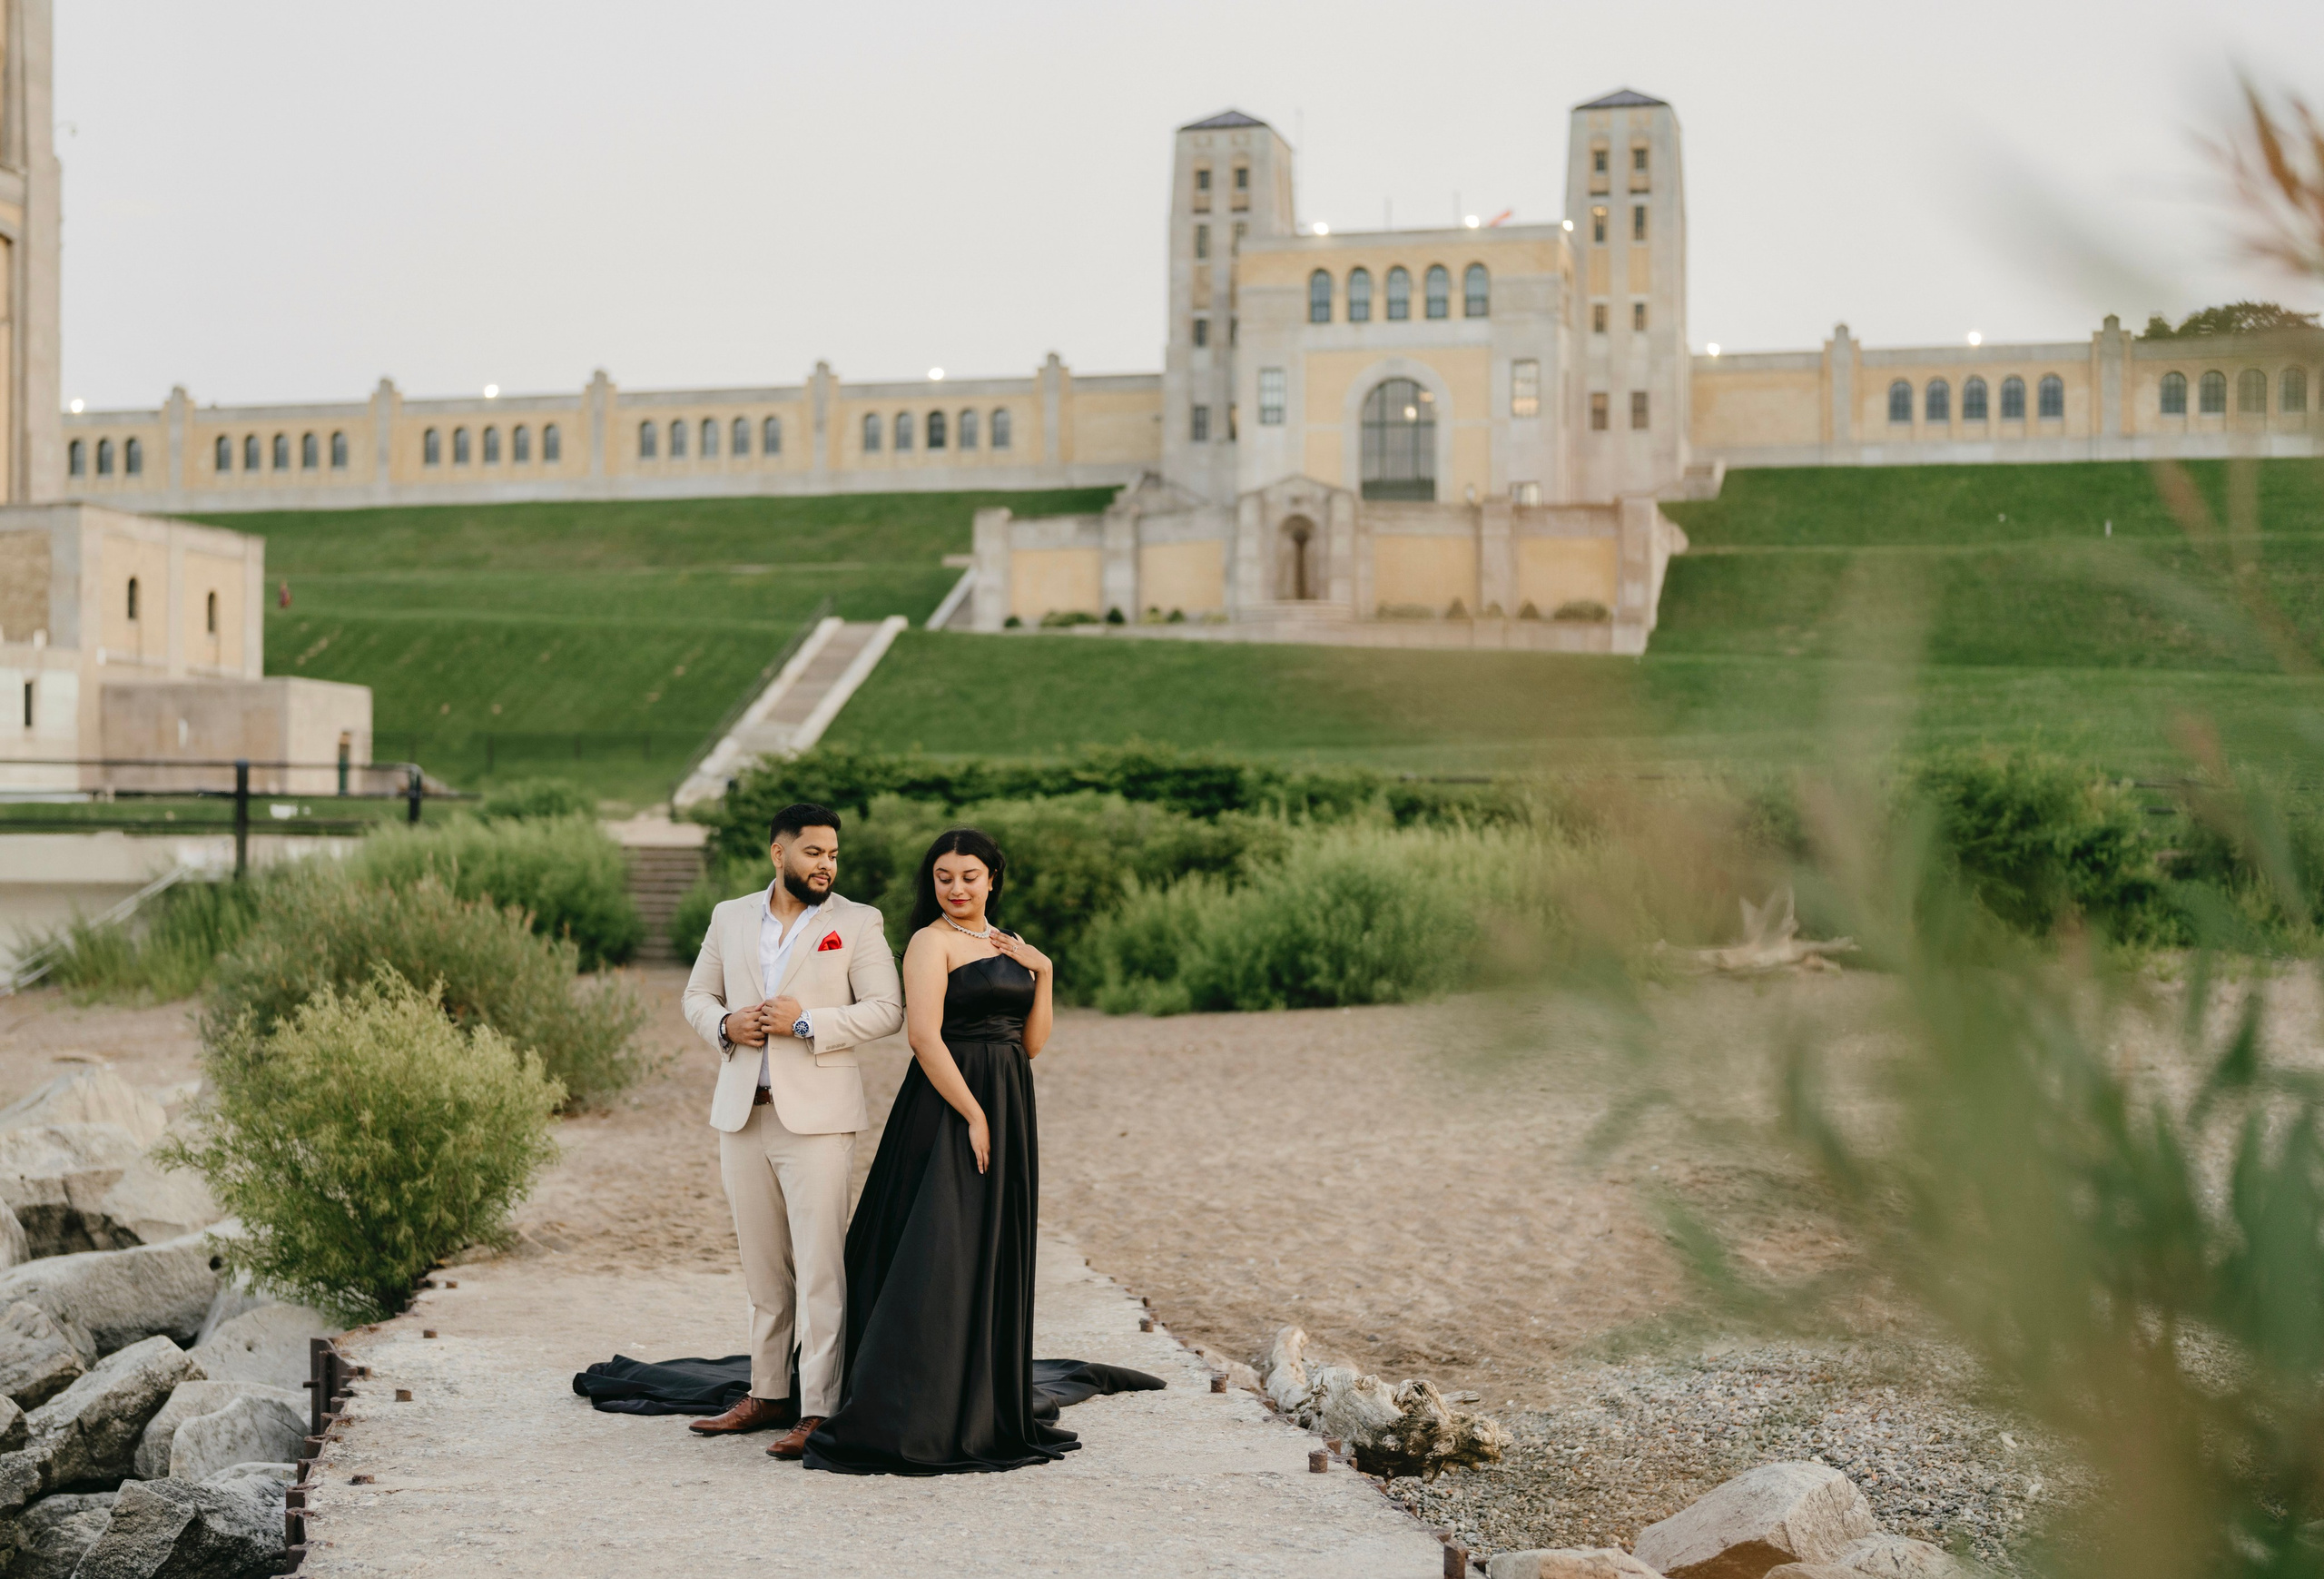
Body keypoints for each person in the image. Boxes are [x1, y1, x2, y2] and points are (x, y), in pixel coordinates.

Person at [802, 828, 1076, 1475]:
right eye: (944, 877)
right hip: (950, 1102)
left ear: (992, 879)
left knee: (987, 1240)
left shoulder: (1007, 942)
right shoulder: (930, 942)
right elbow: (923, 1037)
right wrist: (974, 1114)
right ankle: (919, 1392)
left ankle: (977, 1386)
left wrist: (1044, 971)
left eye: (969, 876)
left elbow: (1030, 1045)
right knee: (938, 1242)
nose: (956, 888)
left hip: (1009, 1097)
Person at [679, 802, 902, 1459]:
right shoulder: (728, 916)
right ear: (779, 854)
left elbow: (887, 1009)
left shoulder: (857, 921)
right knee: (763, 1269)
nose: (826, 864)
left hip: (819, 1121)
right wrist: (725, 1025)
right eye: (814, 852)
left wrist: (806, 1023)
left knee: (820, 1270)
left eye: (833, 854)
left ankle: (819, 1408)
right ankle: (768, 1392)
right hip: (742, 1113)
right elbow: (696, 996)